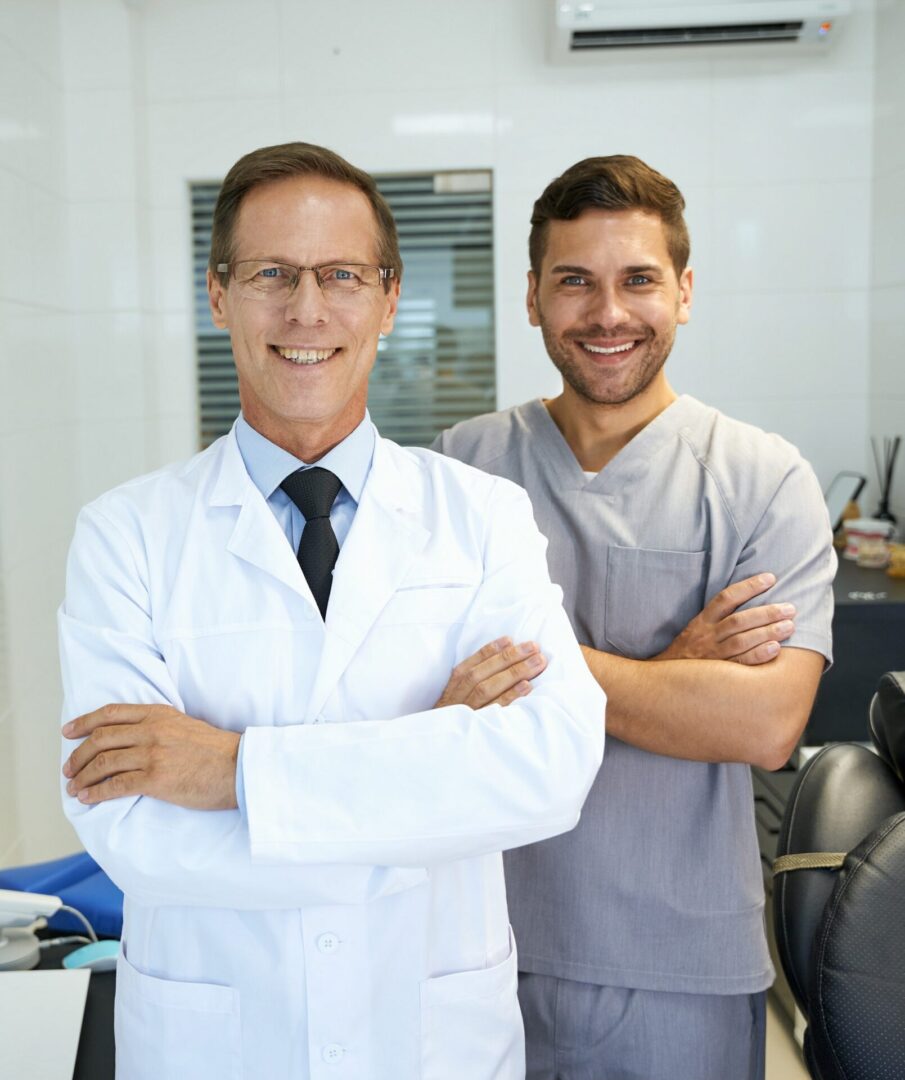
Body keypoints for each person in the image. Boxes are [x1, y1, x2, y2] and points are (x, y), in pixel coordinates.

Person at [58, 142, 606, 1080]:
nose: (306, 310)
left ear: (388, 300)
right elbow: (137, 837)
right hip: (219, 1045)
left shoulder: (481, 518)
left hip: (431, 1036)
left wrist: (232, 770)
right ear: (219, 294)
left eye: (341, 275)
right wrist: (430, 770)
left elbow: (550, 770)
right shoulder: (124, 536)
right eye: (270, 273)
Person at [434, 155, 835, 1080]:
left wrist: (541, 673)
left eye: (638, 280)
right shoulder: (462, 468)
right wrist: (673, 666)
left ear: (684, 292)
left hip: (679, 964)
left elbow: (765, 724)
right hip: (475, 944)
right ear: (531, 297)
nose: (607, 314)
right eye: (574, 281)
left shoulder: (759, 479)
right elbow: (421, 691)